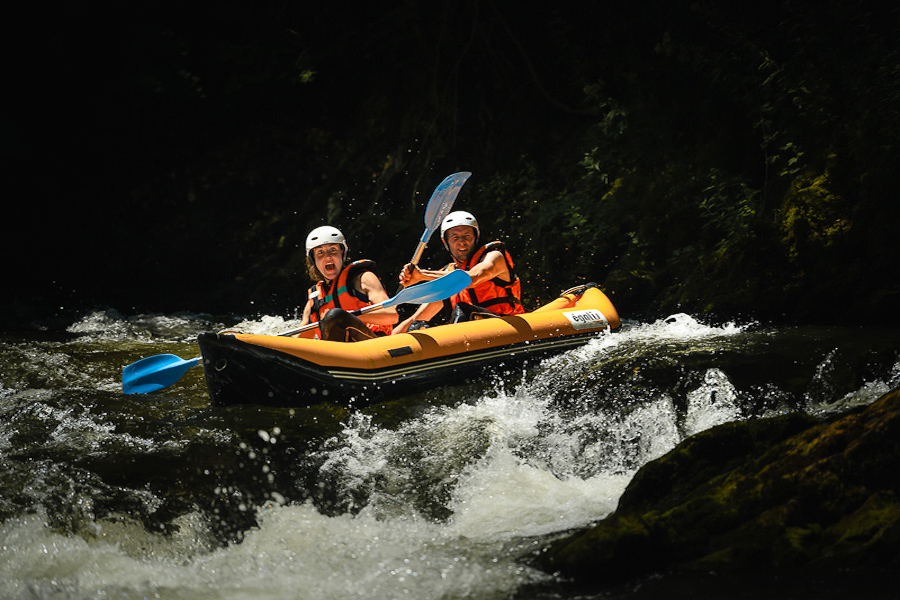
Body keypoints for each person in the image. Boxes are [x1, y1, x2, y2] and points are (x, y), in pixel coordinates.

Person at [393, 211, 524, 334]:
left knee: (463, 310)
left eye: (467, 236)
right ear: (446, 242)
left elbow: (472, 278)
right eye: (455, 237)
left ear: (475, 237)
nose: (462, 241)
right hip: (477, 335)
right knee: (416, 325)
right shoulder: (447, 274)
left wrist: (421, 275)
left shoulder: (495, 256)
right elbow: (415, 318)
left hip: (508, 328)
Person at [297, 226, 398, 341]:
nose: (328, 256)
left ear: (342, 253)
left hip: (370, 343)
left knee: (335, 316)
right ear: (313, 259)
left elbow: (391, 315)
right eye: (320, 252)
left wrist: (348, 316)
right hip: (335, 350)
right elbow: (301, 338)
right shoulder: (314, 299)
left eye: (333, 250)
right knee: (334, 316)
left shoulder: (363, 278)